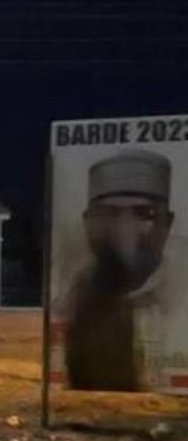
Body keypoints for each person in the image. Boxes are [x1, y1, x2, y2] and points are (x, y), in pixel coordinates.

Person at [60, 149, 177, 391]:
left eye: (144, 214)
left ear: (167, 223)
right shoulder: (71, 295)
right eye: (109, 213)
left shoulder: (179, 298)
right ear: (87, 222)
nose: (124, 229)